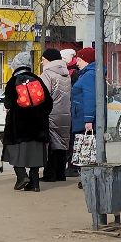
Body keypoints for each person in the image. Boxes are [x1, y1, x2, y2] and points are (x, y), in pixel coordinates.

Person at [0, 52, 52, 190]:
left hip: (18, 127)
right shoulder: (38, 80)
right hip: (38, 127)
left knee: (14, 151)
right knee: (35, 154)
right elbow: (49, 103)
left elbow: (8, 104)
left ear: (16, 66)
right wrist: (40, 115)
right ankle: (35, 184)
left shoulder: (13, 81)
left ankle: (22, 176)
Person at [40, 48, 72, 183]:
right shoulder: (66, 73)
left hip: (51, 112)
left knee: (52, 143)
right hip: (65, 113)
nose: (42, 63)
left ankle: (50, 174)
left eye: (43, 60)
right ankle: (61, 173)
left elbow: (43, 94)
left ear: (49, 60)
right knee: (62, 143)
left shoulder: (47, 74)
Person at [70, 47, 98, 176]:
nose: (77, 62)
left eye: (79, 59)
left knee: (86, 148)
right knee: (88, 147)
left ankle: (88, 176)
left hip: (83, 118)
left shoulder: (89, 75)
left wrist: (88, 119)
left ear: (86, 60)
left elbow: (90, 97)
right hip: (82, 116)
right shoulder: (89, 74)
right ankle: (87, 175)